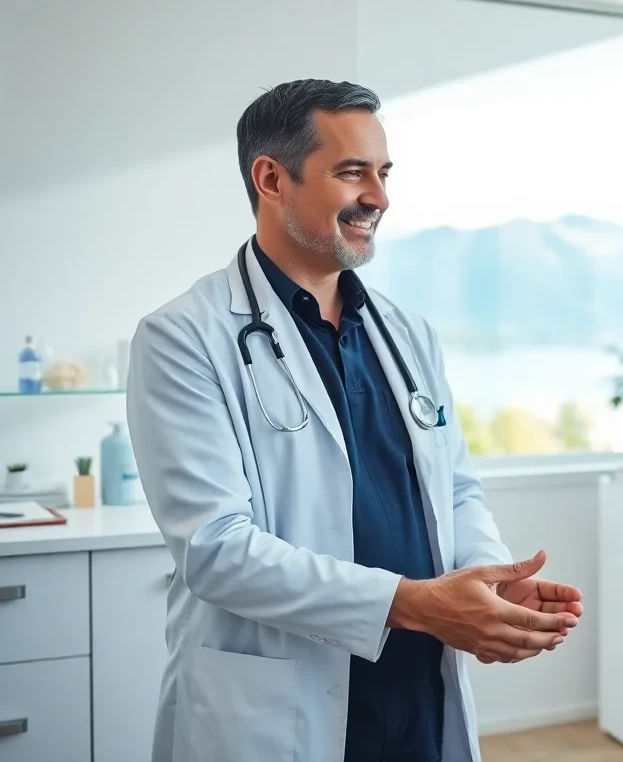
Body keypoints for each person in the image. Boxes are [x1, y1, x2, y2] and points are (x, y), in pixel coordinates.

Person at [125, 79, 583, 762]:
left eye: (384, 173)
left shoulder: (408, 334)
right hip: (277, 708)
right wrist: (416, 603)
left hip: (416, 694)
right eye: (352, 172)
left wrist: (488, 582)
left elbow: (455, 490)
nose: (379, 196)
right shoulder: (182, 338)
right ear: (272, 178)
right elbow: (216, 549)